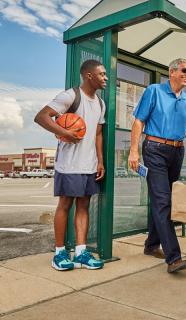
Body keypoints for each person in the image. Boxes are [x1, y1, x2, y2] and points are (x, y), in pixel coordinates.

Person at [34, 59, 107, 271]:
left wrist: (100, 160)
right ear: (89, 76)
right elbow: (41, 116)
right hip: (68, 164)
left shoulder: (100, 103)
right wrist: (64, 132)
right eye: (102, 74)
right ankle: (59, 253)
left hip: (89, 164)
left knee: (84, 206)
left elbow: (98, 133)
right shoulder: (70, 96)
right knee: (65, 205)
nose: (105, 78)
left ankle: (81, 252)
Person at [128, 58, 186, 274]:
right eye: (184, 70)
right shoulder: (154, 91)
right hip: (154, 149)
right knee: (163, 201)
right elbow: (138, 121)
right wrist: (134, 151)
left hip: (177, 151)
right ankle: (173, 258)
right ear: (172, 72)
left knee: (165, 201)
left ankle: (151, 245)